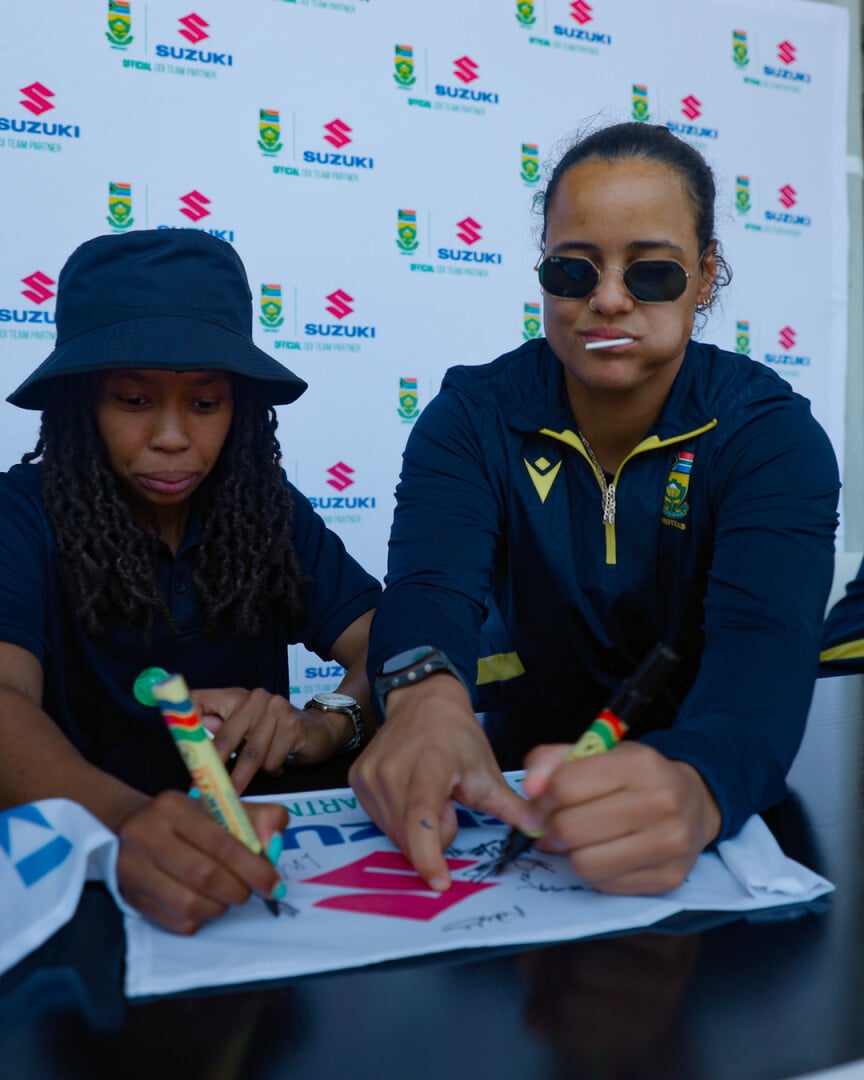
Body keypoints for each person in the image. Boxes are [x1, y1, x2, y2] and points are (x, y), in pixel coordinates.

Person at [350, 122, 840, 897]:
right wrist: (421, 698)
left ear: (707, 275)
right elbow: (429, 593)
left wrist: (698, 784)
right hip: (514, 792)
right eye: (573, 270)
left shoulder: (772, 437)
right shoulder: (470, 418)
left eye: (652, 273)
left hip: (710, 806)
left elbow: (764, 658)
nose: (607, 299)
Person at [0, 229, 380, 933]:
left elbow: (388, 644)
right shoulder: (17, 515)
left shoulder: (264, 508)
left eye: (205, 403)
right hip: (79, 888)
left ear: (239, 408)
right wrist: (128, 821)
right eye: (134, 400)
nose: (173, 436)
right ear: (82, 405)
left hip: (257, 867)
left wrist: (327, 724)